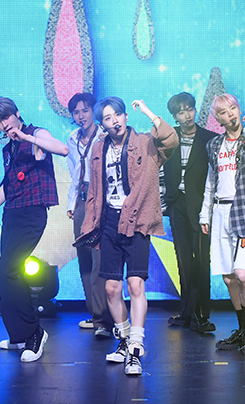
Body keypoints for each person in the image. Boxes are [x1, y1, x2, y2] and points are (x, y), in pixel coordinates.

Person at [76, 97, 178, 375]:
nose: (115, 121)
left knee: (135, 285)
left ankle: (135, 348)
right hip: (109, 221)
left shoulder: (145, 142)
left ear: (125, 116)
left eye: (118, 115)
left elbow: (171, 140)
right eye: (108, 118)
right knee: (111, 288)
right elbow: (95, 189)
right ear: (102, 124)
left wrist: (148, 112)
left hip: (136, 220)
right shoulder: (99, 148)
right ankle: (123, 340)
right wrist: (91, 222)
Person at [0, 97, 69, 363]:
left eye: (5, 118)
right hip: (12, 213)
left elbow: (63, 149)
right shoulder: (9, 148)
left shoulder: (36, 134)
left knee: (7, 269)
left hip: (32, 213)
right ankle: (19, 335)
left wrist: (27, 138)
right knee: (7, 273)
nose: (3, 125)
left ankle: (35, 333)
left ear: (17, 114)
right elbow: (9, 184)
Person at [199, 93, 245, 353]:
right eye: (223, 112)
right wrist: (205, 214)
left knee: (242, 274)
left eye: (233, 108)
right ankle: (243, 331)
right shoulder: (214, 145)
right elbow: (211, 182)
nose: (230, 114)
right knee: (229, 278)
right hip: (220, 211)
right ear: (217, 118)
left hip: (244, 211)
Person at [163, 92, 218, 333]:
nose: (187, 115)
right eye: (181, 112)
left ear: (195, 110)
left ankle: (202, 315)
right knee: (183, 261)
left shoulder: (209, 139)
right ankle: (186, 313)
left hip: (202, 207)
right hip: (177, 206)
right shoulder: (169, 138)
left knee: (202, 261)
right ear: (174, 116)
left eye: (190, 109)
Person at [65, 93, 112, 338]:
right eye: (76, 112)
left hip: (102, 198)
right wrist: (72, 203)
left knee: (99, 259)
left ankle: (104, 318)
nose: (81, 116)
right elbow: (75, 172)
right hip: (82, 199)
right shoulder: (72, 139)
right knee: (83, 257)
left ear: (93, 111)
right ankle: (95, 315)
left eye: (85, 110)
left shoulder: (105, 135)